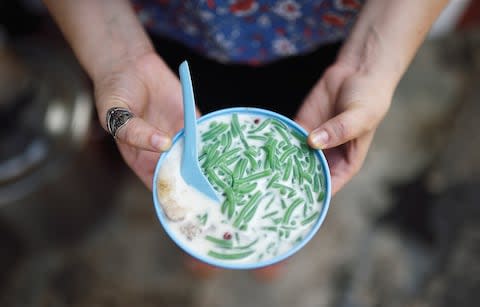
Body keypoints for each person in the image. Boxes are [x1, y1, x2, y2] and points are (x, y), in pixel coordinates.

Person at [43, 0, 448, 278]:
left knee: (304, 121)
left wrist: (369, 64)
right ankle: (218, 247)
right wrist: (117, 57)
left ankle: (266, 247)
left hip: (322, 31)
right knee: (185, 121)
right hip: (167, 27)